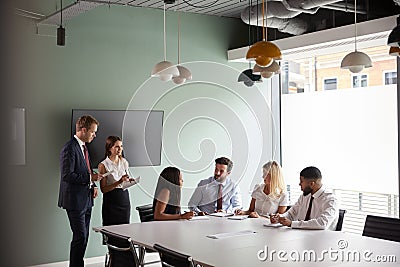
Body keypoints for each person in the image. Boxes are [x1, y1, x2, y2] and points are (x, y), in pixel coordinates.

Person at [58, 115, 103, 267]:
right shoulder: (69, 148)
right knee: (80, 236)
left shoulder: (84, 147)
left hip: (87, 199)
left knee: (84, 237)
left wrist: (94, 185)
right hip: (74, 201)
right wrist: (91, 178)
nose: (94, 135)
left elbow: (87, 170)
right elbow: (67, 175)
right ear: (83, 130)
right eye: (93, 132)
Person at [270, 166, 338, 230]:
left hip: (322, 239)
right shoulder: (304, 196)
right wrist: (280, 218)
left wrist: (292, 224)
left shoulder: (331, 200)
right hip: (301, 236)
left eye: (301, 181)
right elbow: (291, 214)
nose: (299, 184)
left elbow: (322, 223)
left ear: (312, 184)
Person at [99, 136, 136, 227]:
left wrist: (128, 181)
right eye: (117, 147)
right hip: (111, 200)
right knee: (111, 230)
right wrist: (119, 182)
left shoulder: (124, 162)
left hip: (124, 198)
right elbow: (103, 189)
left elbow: (124, 180)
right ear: (109, 148)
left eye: (121, 146)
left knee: (125, 229)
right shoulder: (103, 165)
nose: (120, 149)